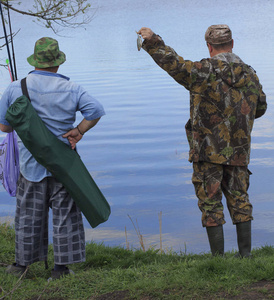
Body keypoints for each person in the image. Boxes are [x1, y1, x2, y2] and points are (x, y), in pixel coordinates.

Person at [137, 25, 267, 257]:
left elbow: (173, 64)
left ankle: (217, 259)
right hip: (238, 152)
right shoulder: (250, 74)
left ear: (209, 46)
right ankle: (245, 256)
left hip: (208, 152)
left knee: (210, 203)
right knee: (240, 200)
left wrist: (153, 40)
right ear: (232, 43)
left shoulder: (203, 71)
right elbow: (261, 108)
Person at [0, 37, 105, 278]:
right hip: (64, 166)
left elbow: (4, 128)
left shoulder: (17, 87)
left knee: (27, 216)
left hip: (29, 165)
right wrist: (79, 131)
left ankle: (21, 267)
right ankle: (61, 269)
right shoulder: (72, 88)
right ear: (58, 63)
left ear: (35, 61)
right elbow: (95, 110)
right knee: (65, 216)